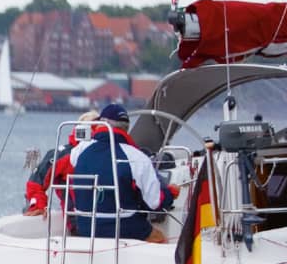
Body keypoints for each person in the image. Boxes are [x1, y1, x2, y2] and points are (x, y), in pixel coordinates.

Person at [70, 103, 179, 242]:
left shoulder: (79, 151)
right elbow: (154, 202)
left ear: (100, 125)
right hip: (123, 226)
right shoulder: (137, 158)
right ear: (126, 128)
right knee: (160, 239)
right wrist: (171, 193)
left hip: (85, 225)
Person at [24, 110, 100, 216]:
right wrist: (38, 205)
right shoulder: (64, 155)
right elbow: (36, 182)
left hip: (96, 217)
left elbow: (36, 181)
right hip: (78, 219)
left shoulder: (109, 152)